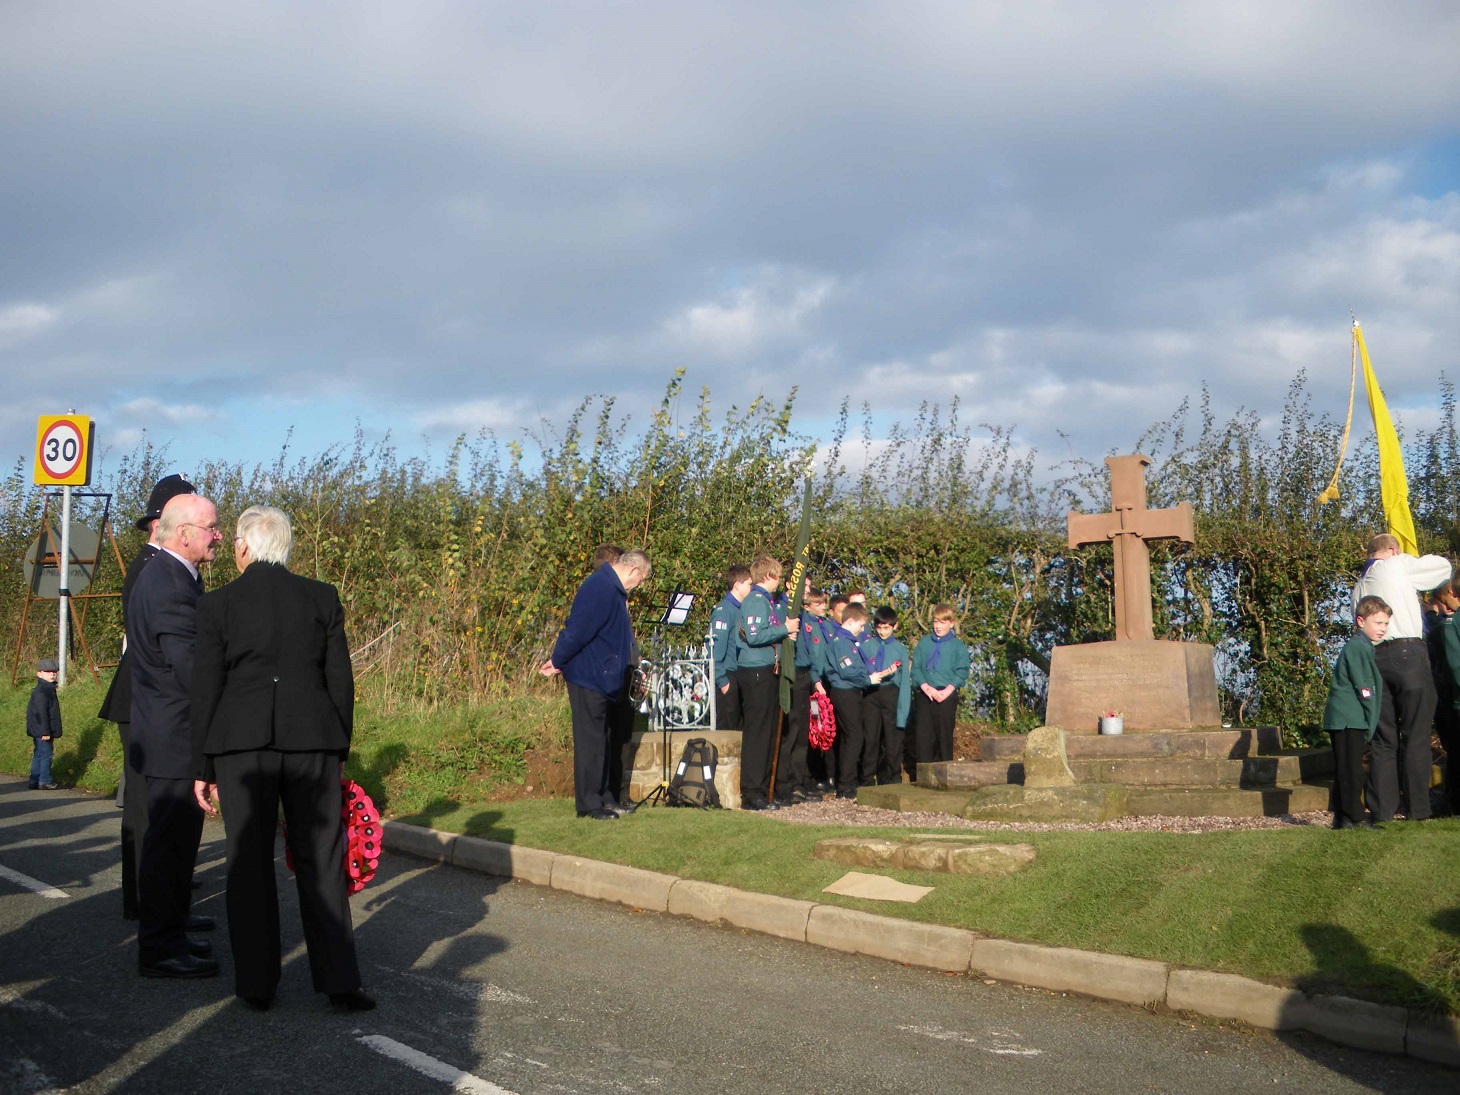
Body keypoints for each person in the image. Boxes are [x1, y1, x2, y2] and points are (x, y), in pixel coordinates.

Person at [191, 505, 372, 1012]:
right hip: (312, 738)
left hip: (240, 745)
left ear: (244, 547)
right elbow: (341, 681)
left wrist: (202, 767)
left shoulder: (217, 605)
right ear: (286, 548)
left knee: (248, 861)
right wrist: (338, 748)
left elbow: (206, 690)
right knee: (322, 858)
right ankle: (339, 980)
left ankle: (256, 984)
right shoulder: (321, 597)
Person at [128, 492, 221, 979]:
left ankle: (173, 928)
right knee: (168, 847)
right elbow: (191, 668)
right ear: (184, 533)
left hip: (168, 732)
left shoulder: (173, 574)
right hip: (173, 737)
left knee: (178, 846)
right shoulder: (168, 583)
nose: (219, 536)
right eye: (212, 528)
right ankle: (161, 947)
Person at [99, 473, 195, 919]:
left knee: (156, 808)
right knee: (144, 805)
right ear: (161, 521)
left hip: (148, 696)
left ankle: (160, 897)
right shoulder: (151, 569)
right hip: (143, 696)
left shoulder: (164, 567)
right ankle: (145, 899)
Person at [540, 549, 651, 819]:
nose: (641, 585)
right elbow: (578, 630)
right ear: (634, 571)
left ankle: (605, 797)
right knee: (590, 741)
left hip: (607, 679)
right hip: (588, 676)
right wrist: (557, 661)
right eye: (643, 579)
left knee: (605, 739)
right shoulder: (600, 587)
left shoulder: (614, 591)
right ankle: (588, 805)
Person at [1350, 533, 1451, 822]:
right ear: (1393, 550)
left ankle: (1382, 809)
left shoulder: (1359, 585)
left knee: (1383, 739)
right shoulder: (1395, 565)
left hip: (1372, 657)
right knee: (1416, 735)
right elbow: (1442, 568)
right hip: (1407, 654)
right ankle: (1418, 809)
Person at [733, 553, 799, 810]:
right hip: (756, 671)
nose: (780, 582)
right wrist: (784, 628)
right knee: (758, 734)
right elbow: (754, 634)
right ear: (768, 575)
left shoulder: (765, 601)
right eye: (778, 577)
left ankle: (760, 789)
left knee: (767, 732)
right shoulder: (756, 600)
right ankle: (751, 792)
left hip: (767, 669)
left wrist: (784, 633)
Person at [1323, 596, 1390, 829]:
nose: (1383, 628)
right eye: (1378, 622)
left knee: (1346, 768)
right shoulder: (1358, 647)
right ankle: (1356, 816)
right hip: (1347, 719)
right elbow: (1366, 689)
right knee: (1351, 770)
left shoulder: (1361, 646)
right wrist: (1371, 722)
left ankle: (1343, 817)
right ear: (1361, 621)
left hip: (1347, 718)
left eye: (1385, 624)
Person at [776, 585, 830, 804]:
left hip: (808, 676)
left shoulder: (806, 618)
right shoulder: (786, 611)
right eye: (804, 586)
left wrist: (816, 680)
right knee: (792, 731)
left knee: (805, 733)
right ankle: (784, 784)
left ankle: (799, 782)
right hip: (793, 675)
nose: (807, 590)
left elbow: (812, 652)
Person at [823, 603, 883, 797]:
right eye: (860, 625)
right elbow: (847, 669)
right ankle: (846, 785)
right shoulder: (842, 641)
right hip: (845, 693)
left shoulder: (849, 640)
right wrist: (867, 679)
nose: (862, 629)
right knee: (855, 736)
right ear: (850, 621)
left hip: (851, 692)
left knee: (851, 737)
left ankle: (847, 783)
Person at [909, 604, 971, 774]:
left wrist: (947, 691)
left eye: (943, 622)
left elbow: (962, 671)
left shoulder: (957, 646)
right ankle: (922, 777)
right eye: (936, 621)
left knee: (944, 738)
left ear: (951, 623)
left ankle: (945, 777)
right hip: (925, 695)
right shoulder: (924, 643)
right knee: (923, 738)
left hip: (946, 696)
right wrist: (926, 687)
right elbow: (916, 668)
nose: (938, 626)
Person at [862, 606, 911, 785]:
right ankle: (867, 778)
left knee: (892, 737)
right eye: (879, 628)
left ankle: (892, 776)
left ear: (895, 626)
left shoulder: (900, 649)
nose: (882, 632)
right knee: (871, 737)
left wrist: (903, 710)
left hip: (891, 693)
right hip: (872, 693)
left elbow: (905, 680)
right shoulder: (867, 646)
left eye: (886, 628)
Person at [711, 566, 751, 732]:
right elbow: (715, 648)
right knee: (727, 730)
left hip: (739, 673)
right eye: (749, 584)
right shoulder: (724, 610)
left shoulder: (740, 608)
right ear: (737, 585)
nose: (751, 588)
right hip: (728, 676)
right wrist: (722, 681)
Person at [26, 658, 62, 790]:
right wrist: (45, 732)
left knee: (39, 754)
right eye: (48, 672)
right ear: (39, 673)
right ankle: (44, 780)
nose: (52, 674)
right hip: (43, 730)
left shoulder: (46, 689)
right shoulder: (43, 691)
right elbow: (41, 714)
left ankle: (34, 780)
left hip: (39, 730)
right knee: (46, 755)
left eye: (54, 671)